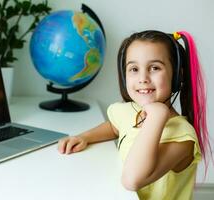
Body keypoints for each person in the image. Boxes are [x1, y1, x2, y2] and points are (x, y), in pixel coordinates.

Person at [58, 30, 212, 199]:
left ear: (177, 76)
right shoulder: (129, 110)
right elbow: (115, 127)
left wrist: (157, 116)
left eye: (154, 68)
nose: (142, 78)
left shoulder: (182, 138)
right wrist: (85, 137)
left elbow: (132, 180)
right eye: (134, 69)